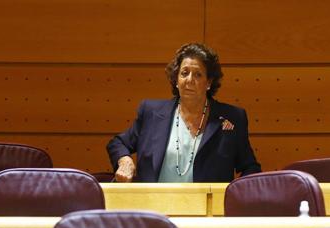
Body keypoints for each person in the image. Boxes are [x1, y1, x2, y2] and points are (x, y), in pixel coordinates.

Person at [107, 43, 261, 182]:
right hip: (153, 207)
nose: (189, 80)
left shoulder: (232, 118)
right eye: (184, 73)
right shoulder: (151, 113)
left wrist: (237, 195)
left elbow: (250, 167)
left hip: (209, 209)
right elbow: (118, 143)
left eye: (198, 74)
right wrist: (124, 160)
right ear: (176, 79)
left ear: (209, 82)